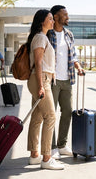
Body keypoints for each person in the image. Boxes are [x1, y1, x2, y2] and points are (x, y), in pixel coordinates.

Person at [27, 9, 64, 170]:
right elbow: (39, 62)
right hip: (41, 79)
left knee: (37, 117)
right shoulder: (41, 37)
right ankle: (46, 158)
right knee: (50, 116)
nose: (52, 21)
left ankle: (35, 155)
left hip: (40, 79)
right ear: (42, 21)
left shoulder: (41, 37)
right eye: (50, 19)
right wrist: (42, 85)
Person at [47, 5, 84, 159]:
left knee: (67, 112)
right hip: (52, 80)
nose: (67, 17)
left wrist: (79, 67)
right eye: (65, 15)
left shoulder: (69, 34)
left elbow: (73, 55)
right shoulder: (48, 34)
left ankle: (62, 144)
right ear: (55, 17)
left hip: (67, 79)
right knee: (51, 114)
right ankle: (52, 147)